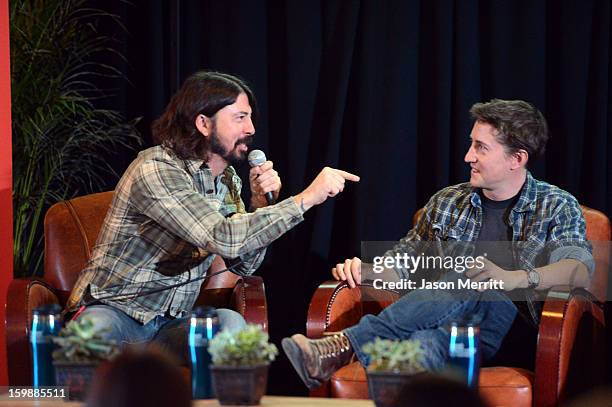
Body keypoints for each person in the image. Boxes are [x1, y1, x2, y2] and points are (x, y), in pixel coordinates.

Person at [282, 99, 594, 389]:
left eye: (481, 148)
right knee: (422, 346)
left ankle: (346, 344)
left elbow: (579, 270)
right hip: (450, 331)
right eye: (471, 144)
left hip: (515, 336)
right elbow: (405, 264)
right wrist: (367, 271)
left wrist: (516, 278)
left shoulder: (555, 205)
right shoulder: (447, 202)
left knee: (470, 276)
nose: (468, 156)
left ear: (517, 159)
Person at [65, 71, 359, 360]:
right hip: (116, 312)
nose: (252, 128)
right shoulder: (156, 168)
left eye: (250, 117)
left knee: (231, 325)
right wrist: (306, 198)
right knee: (92, 330)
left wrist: (261, 206)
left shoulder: (227, 179)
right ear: (204, 124)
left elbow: (243, 263)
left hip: (170, 325)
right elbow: (223, 237)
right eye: (240, 117)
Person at [86, 347, 190, 407]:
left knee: (200, 333)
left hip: (175, 318)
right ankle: (69, 398)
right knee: (79, 339)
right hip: (119, 312)